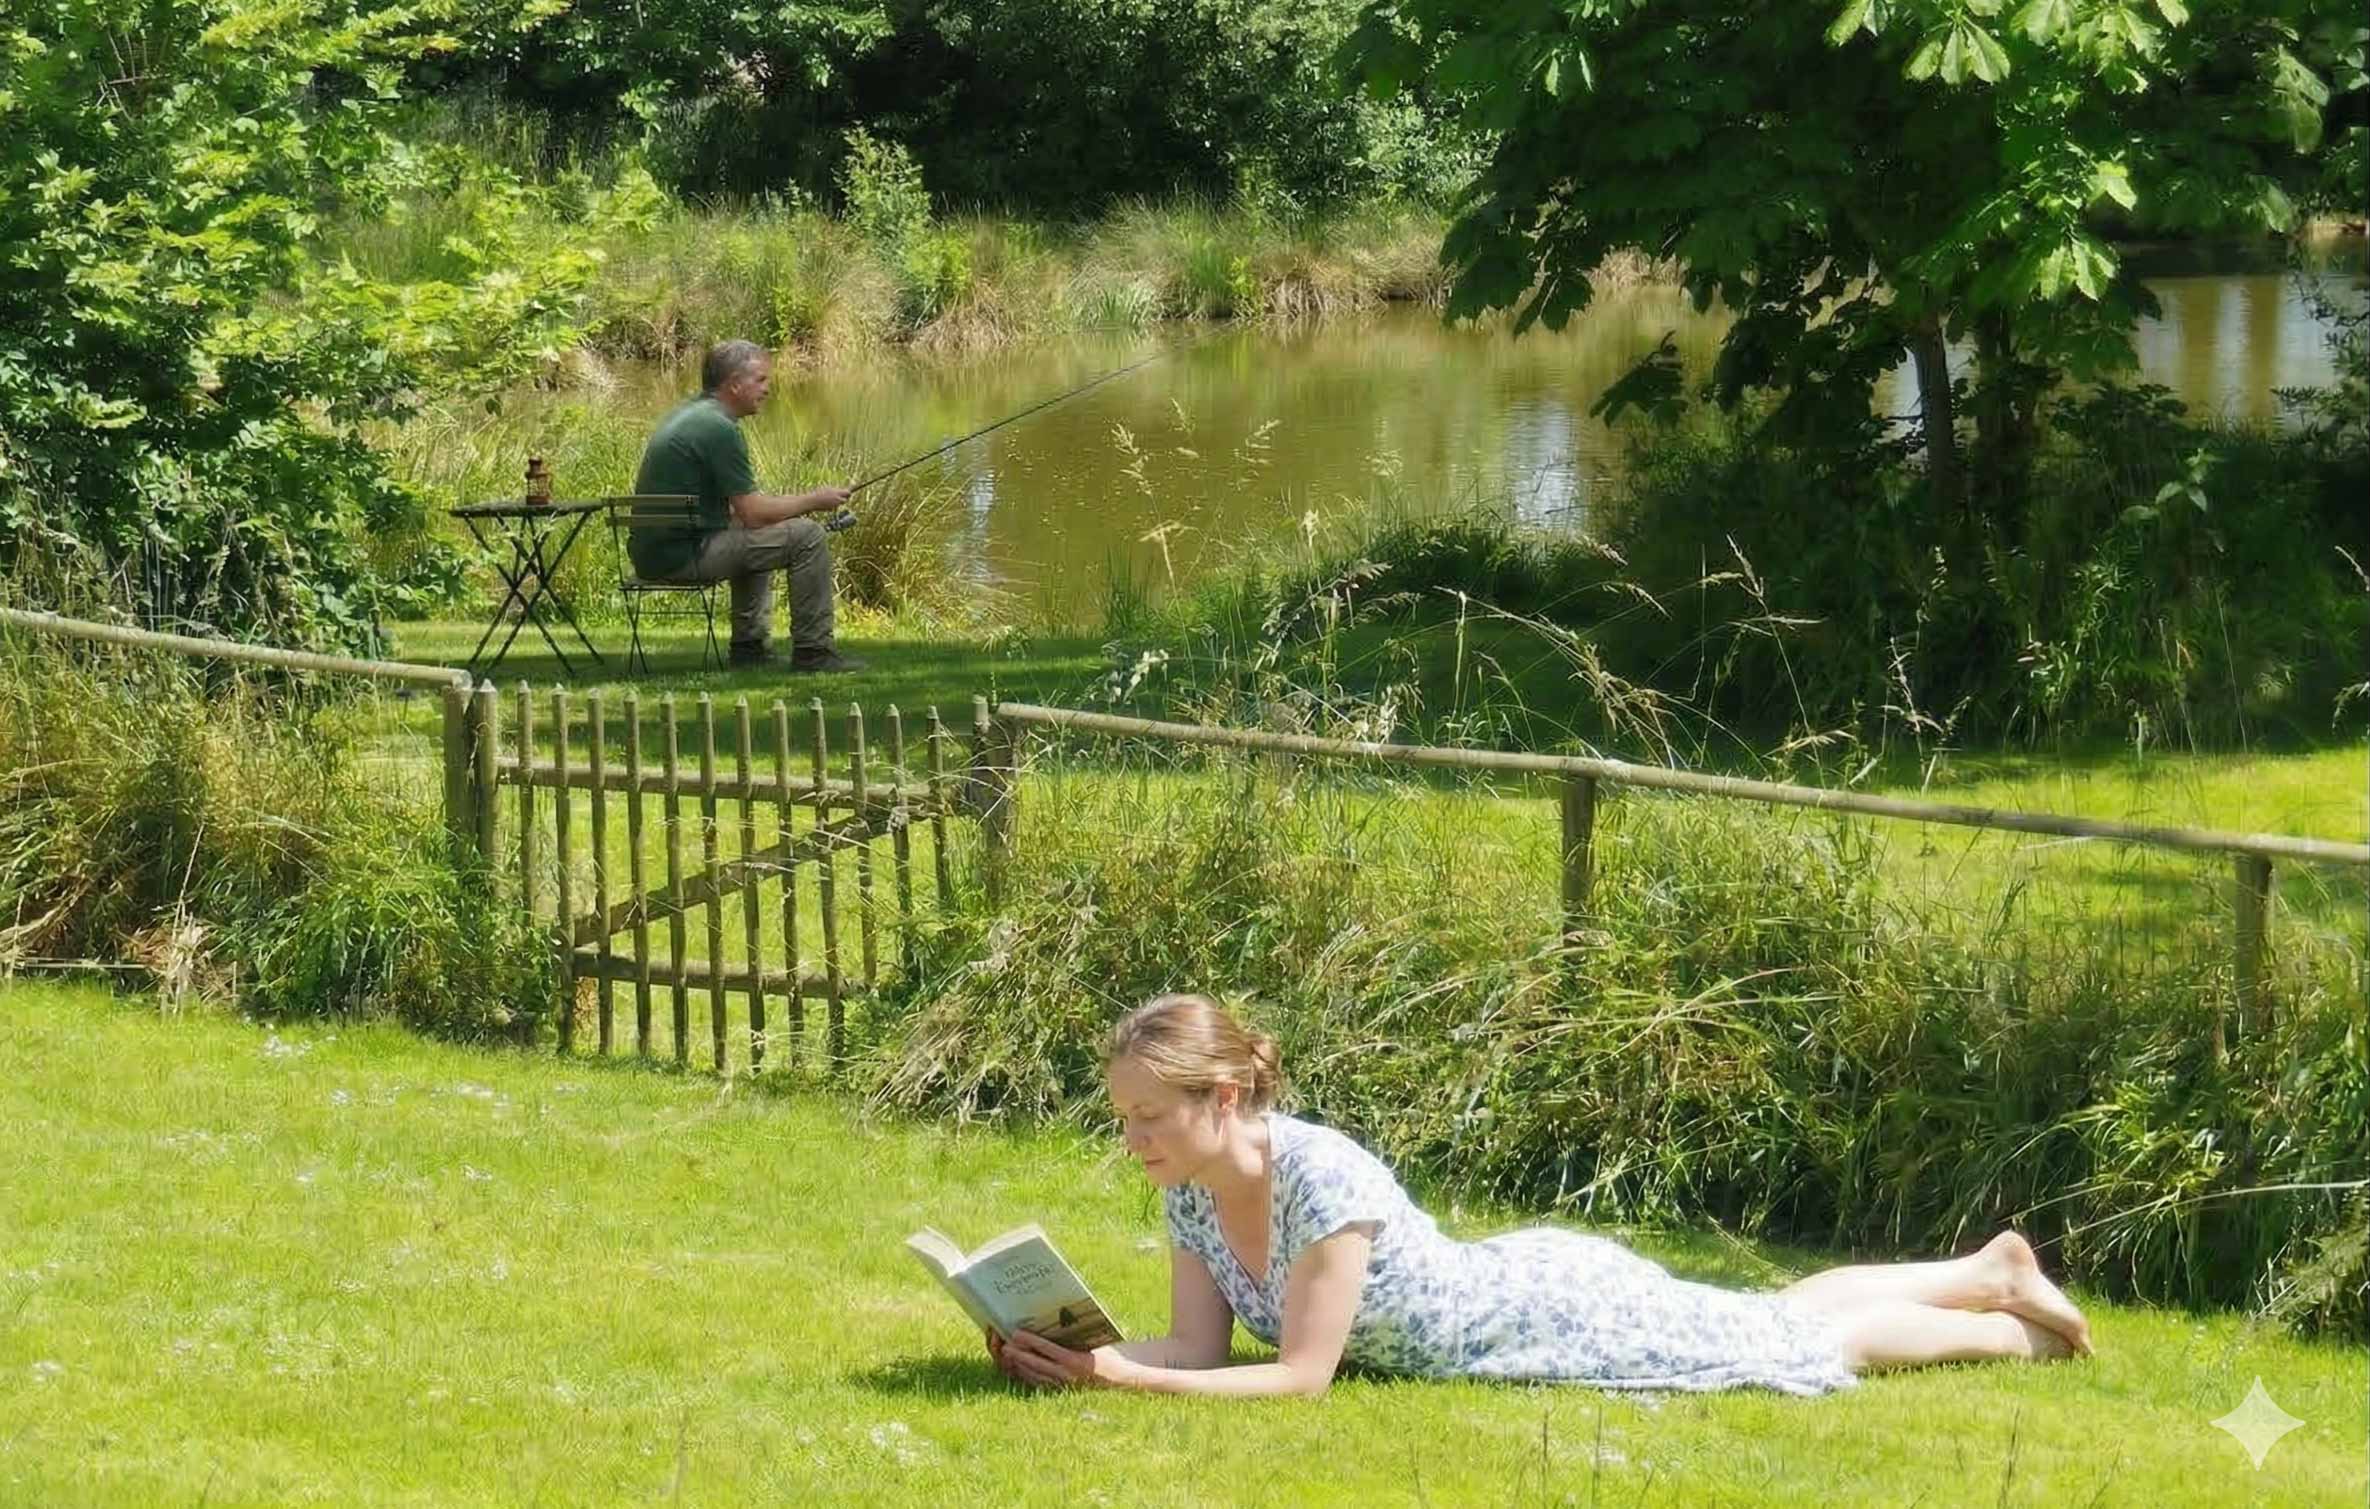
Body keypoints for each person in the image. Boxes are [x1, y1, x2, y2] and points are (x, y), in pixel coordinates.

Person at [990, 993, 2095, 1399]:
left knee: (1784, 1344)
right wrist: (1071, 1350)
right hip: (1512, 1293)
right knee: (1780, 1312)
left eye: (1148, 1115)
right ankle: (1983, 1272)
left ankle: (2012, 1342)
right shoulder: (1188, 1186)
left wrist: (1119, 1380)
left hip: (1537, 1314)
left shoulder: (1319, 1177)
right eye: (1125, 1115)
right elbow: (1196, 1347)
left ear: (1223, 1097)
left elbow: (1298, 1377)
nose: (1130, 1136)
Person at [630, 339, 863, 672]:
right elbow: (753, 513)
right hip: (683, 557)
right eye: (761, 380)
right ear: (734, 384)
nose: (767, 389)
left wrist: (794, 506)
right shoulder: (720, 429)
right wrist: (816, 500)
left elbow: (745, 514)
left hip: (655, 553)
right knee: (807, 536)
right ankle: (815, 653)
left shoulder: (689, 415)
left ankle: (750, 650)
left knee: (766, 531)